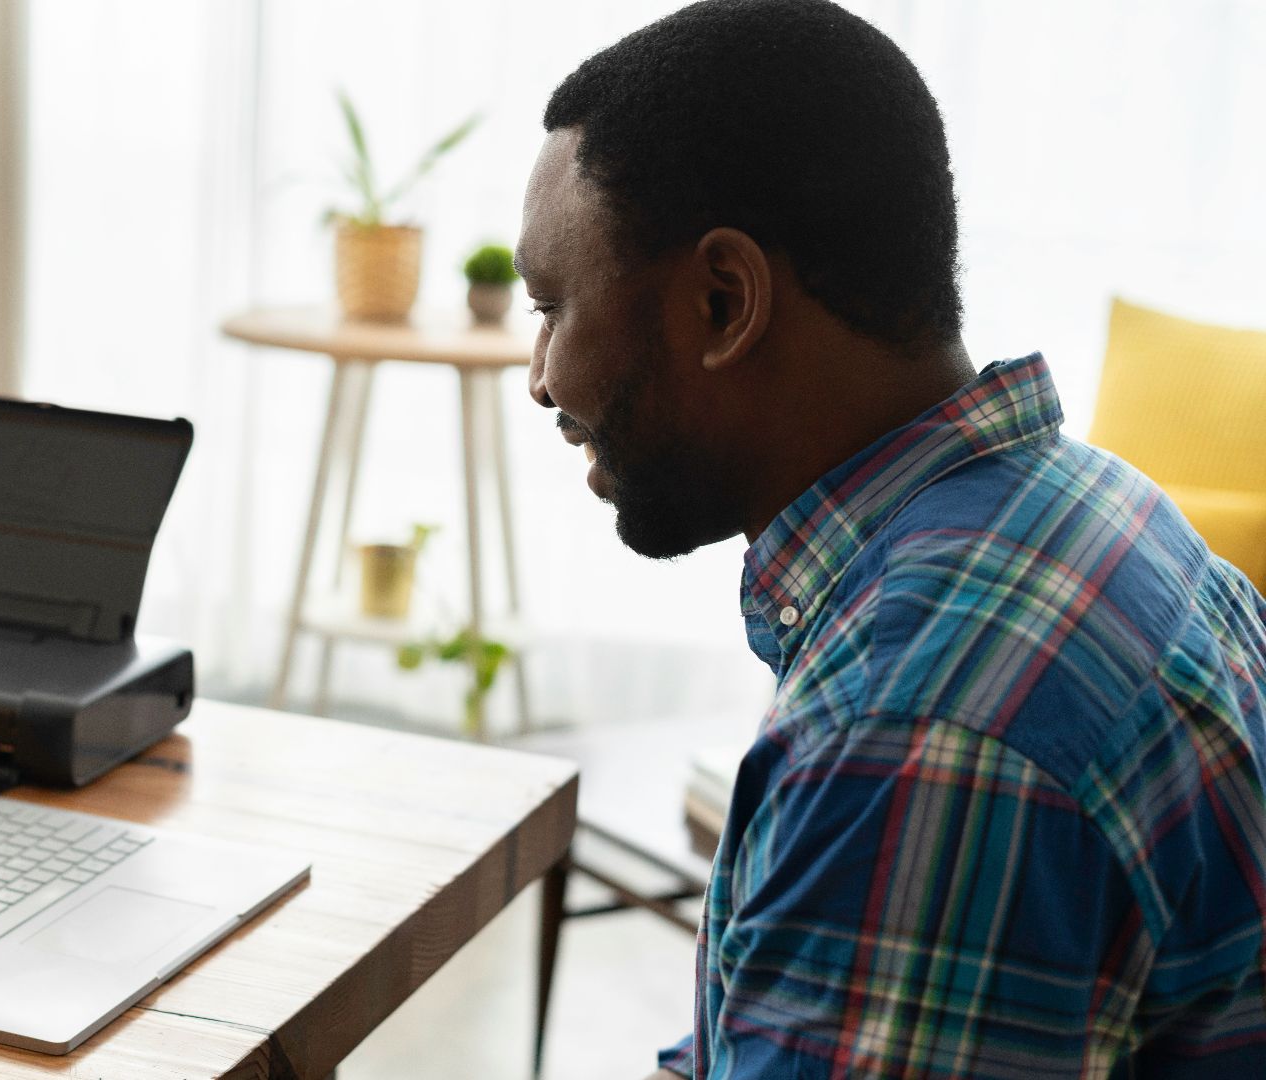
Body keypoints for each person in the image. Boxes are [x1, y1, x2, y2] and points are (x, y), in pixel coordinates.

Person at [514, 1, 1266, 1076]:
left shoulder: (916, 726)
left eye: (552, 305)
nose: (540, 377)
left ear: (725, 301)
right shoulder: (1093, 507)